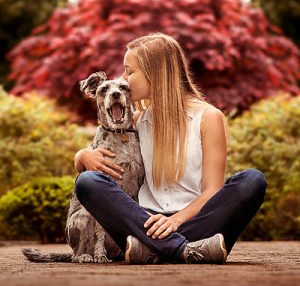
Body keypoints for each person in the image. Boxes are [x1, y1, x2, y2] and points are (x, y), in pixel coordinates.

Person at [74, 32, 267, 264]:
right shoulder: (136, 120)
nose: (123, 79)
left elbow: (212, 190)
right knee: (88, 183)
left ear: (156, 73)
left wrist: (176, 220)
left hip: (197, 220)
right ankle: (188, 250)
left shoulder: (208, 117)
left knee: (252, 180)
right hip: (142, 221)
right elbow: (100, 151)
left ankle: (153, 250)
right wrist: (82, 156)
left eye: (130, 71)